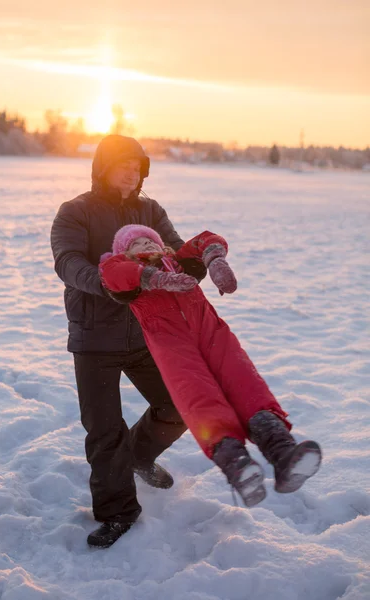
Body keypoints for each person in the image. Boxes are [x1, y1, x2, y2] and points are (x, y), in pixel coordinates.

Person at [51, 135, 207, 549]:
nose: (131, 172)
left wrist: (195, 260)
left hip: (144, 331)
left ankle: (140, 454)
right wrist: (108, 283)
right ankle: (118, 513)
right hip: (94, 337)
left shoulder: (149, 210)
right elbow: (67, 263)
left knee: (178, 405)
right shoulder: (75, 211)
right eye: (123, 164)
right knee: (104, 432)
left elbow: (172, 249)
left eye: (137, 166)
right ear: (102, 166)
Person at [99, 225, 322, 512]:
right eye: (136, 243)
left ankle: (283, 452)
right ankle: (237, 465)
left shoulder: (178, 261)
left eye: (150, 240)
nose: (146, 244)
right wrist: (154, 277)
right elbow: (111, 273)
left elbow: (205, 239)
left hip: (214, 335)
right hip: (174, 349)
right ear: (125, 253)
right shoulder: (124, 271)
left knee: (247, 385)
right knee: (200, 398)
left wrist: (215, 259)